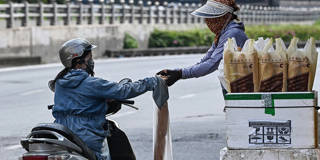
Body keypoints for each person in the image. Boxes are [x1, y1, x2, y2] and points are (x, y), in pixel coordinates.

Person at [49, 38, 167, 160]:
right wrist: (151, 81)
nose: (92, 61)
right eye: (90, 58)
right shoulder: (90, 83)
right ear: (78, 62)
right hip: (86, 133)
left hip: (63, 132)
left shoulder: (60, 82)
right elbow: (123, 91)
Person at [157, 0, 248, 95]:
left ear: (223, 17)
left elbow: (212, 63)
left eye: (212, 17)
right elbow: (206, 59)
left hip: (242, 85)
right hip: (233, 83)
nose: (207, 21)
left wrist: (180, 74)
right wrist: (177, 72)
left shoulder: (232, 34)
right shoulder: (222, 34)